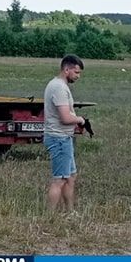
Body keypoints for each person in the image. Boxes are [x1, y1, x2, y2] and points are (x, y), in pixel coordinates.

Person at [43, 54, 86, 212]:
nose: (78, 76)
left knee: (70, 177)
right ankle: (49, 216)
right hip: (59, 138)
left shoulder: (58, 85)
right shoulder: (59, 88)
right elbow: (65, 118)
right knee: (59, 180)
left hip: (64, 138)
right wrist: (80, 120)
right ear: (66, 69)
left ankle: (69, 212)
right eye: (76, 72)